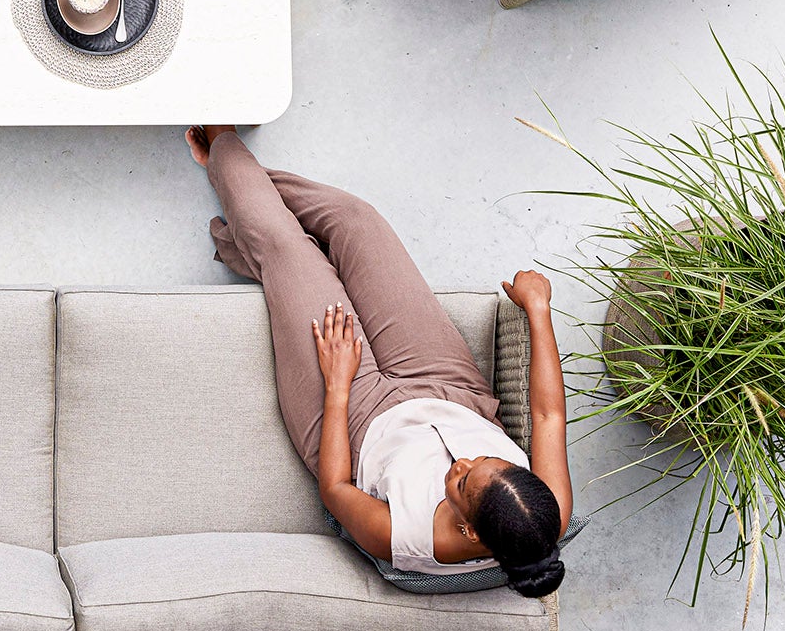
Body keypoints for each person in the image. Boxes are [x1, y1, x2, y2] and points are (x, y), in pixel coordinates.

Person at [186, 125, 571, 595]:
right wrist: (539, 311)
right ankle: (240, 199)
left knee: (284, 248)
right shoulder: (544, 511)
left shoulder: (404, 538)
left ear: (469, 531)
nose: (463, 461)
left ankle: (225, 146)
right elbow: (549, 415)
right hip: (449, 384)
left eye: (463, 481)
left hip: (353, 420)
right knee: (357, 221)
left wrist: (339, 384)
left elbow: (335, 489)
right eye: (489, 459)